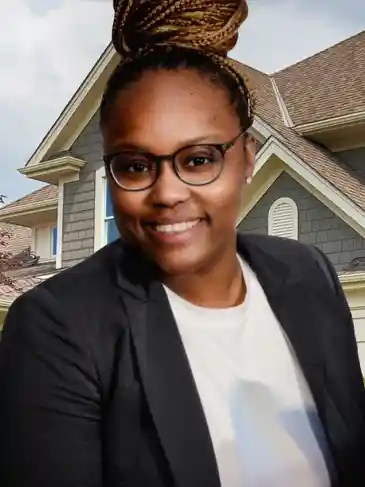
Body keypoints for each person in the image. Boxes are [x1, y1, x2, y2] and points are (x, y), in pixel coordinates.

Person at [0, 0, 364, 486]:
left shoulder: (309, 275)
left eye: (198, 160)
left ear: (248, 158)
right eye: (134, 166)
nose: (167, 194)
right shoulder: (60, 329)